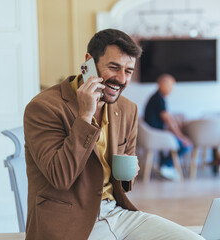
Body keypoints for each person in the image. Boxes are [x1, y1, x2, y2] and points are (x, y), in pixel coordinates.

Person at [24, 29, 203, 240]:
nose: (121, 79)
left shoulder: (127, 109)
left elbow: (123, 180)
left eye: (128, 71)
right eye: (113, 67)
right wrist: (84, 116)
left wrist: (130, 173)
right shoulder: (44, 107)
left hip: (117, 214)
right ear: (88, 62)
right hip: (68, 222)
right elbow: (60, 177)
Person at [144, 74, 192, 180]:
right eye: (170, 86)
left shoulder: (157, 97)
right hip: (155, 134)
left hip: (154, 133)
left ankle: (163, 165)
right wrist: (181, 137)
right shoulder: (158, 99)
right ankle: (166, 165)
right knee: (186, 145)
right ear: (161, 85)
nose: (171, 89)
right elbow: (168, 120)